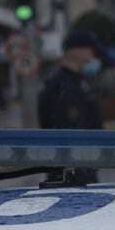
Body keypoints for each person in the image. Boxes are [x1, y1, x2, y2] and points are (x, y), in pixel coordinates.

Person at [38, 29, 106, 184]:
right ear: (77, 51)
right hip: (69, 174)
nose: (93, 56)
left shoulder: (79, 83)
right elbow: (65, 130)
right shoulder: (60, 87)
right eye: (91, 51)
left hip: (83, 168)